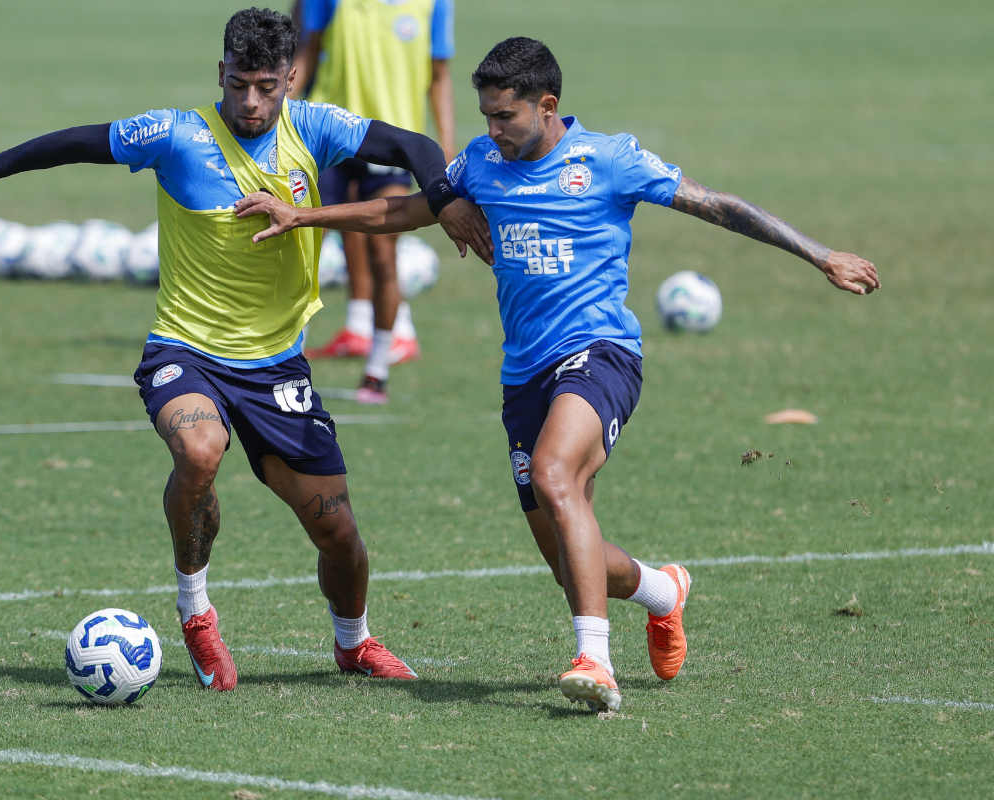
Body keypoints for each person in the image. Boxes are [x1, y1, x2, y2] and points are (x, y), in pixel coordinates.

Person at [235, 36, 881, 711]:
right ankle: (664, 591)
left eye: (504, 117)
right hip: (524, 378)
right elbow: (403, 210)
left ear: (547, 107)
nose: (492, 130)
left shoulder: (609, 160)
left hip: (600, 355)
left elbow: (720, 205)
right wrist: (304, 216)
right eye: (485, 116)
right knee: (570, 559)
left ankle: (593, 662)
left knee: (553, 473)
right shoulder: (481, 163)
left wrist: (821, 254)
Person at [0, 7, 489, 691]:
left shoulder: (314, 128)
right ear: (220, 73)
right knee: (198, 450)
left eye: (267, 87)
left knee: (338, 534)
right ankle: (196, 613)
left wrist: (445, 195)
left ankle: (353, 643)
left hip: (277, 364)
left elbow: (411, 142)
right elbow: (73, 143)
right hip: (184, 349)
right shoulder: (177, 134)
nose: (251, 101)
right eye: (239, 83)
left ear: (290, 80)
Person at [291, 0, 456, 404]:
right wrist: (276, 115)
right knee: (300, 251)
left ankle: (377, 370)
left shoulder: (434, 3)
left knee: (384, 251)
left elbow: (439, 75)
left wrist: (447, 151)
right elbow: (308, 50)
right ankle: (289, 365)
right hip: (328, 137)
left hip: (392, 142)